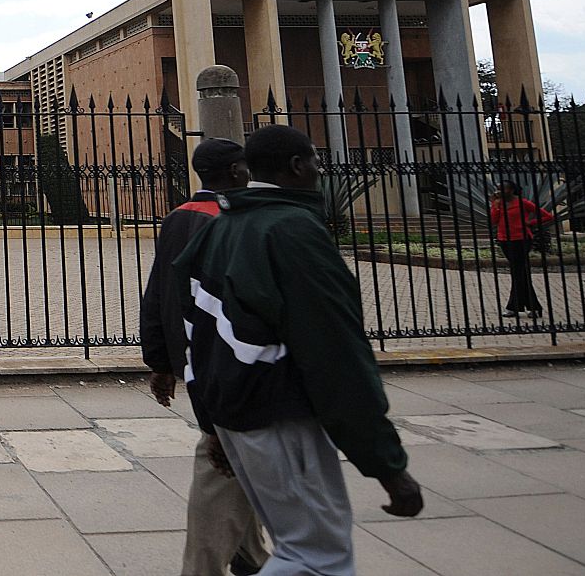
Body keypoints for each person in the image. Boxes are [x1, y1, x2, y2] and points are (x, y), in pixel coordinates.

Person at [176, 125, 422, 575]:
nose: (318, 169)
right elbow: (336, 355)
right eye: (314, 159)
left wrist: (212, 424)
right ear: (296, 165)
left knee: (300, 548)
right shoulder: (291, 231)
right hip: (278, 413)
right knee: (316, 558)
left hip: (237, 412)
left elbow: (195, 335)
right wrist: (387, 465)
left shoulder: (224, 228)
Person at [139, 138, 267, 576]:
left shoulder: (177, 218)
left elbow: (159, 290)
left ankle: (251, 553)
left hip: (189, 350)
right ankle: (217, 564)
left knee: (240, 457)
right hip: (230, 357)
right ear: (236, 171)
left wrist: (159, 360)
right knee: (225, 455)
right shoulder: (238, 220)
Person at [489, 181, 555, 319]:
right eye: (498, 189)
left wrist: (530, 223)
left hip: (521, 240)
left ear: (512, 190)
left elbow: (547, 216)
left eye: (503, 189)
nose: (499, 192)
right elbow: (494, 221)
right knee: (520, 273)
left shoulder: (523, 203)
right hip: (504, 240)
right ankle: (528, 307)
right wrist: (495, 205)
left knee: (518, 272)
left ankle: (519, 307)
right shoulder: (499, 204)